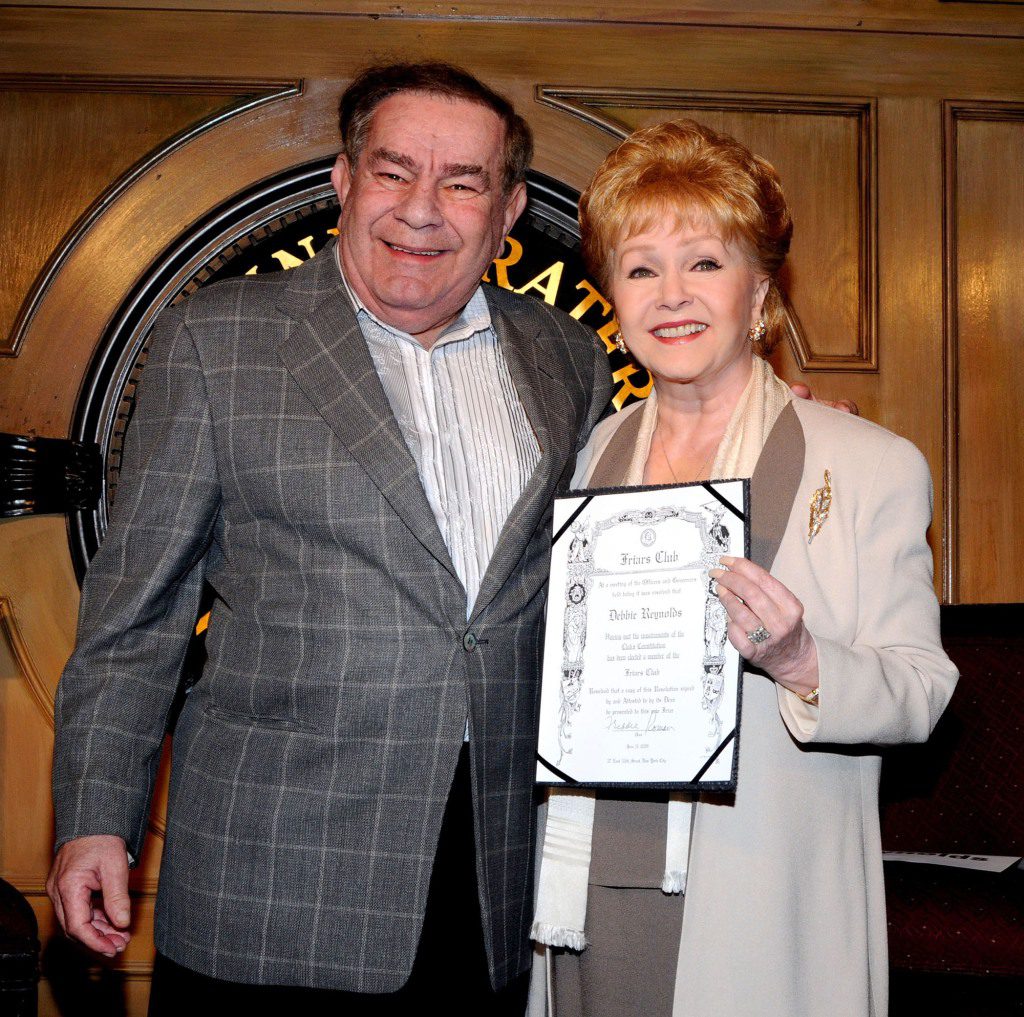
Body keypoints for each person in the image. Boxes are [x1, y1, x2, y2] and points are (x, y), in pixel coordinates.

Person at [46, 61, 612, 1014]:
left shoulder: (569, 355)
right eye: (393, 172)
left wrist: (762, 423)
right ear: (345, 182)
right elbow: (133, 621)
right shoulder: (214, 341)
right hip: (272, 884)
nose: (421, 209)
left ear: (509, 208)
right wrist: (95, 818)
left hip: (493, 884)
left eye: (462, 181)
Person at [530, 119, 958, 1017]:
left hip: (762, 881)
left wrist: (803, 660)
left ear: (759, 285)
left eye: (704, 263)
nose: (672, 295)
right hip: (588, 871)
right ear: (612, 292)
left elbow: (922, 689)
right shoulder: (592, 451)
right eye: (642, 267)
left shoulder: (870, 461)